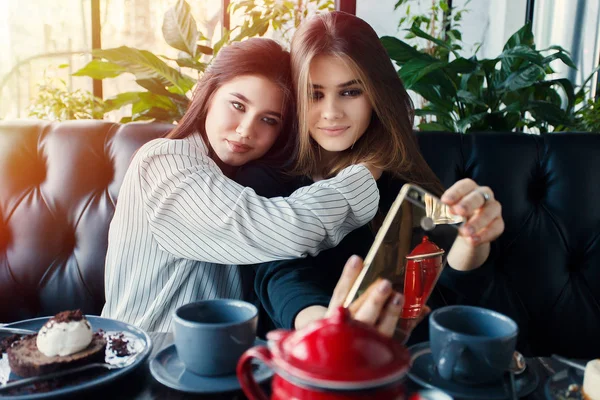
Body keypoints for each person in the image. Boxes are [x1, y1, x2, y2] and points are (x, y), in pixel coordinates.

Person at [238, 12, 504, 338]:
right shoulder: (264, 177)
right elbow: (279, 272)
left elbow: (445, 294)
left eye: (350, 92)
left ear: (376, 94)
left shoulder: (399, 178)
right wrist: (326, 327)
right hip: (305, 360)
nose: (332, 112)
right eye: (315, 94)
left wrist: (472, 240)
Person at [101, 38, 385, 332]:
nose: (246, 130)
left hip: (216, 364)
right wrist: (366, 171)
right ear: (208, 92)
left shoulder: (241, 176)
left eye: (269, 120)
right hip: (141, 358)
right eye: (237, 105)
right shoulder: (164, 161)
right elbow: (283, 230)